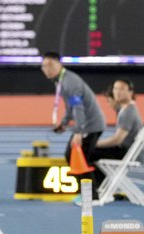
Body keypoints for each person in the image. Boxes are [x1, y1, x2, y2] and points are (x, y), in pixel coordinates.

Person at [41, 52, 106, 198]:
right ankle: (94, 191)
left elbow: (78, 108)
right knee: (77, 157)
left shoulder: (69, 82)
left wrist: (78, 132)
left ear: (59, 64)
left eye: (50, 65)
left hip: (91, 125)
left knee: (77, 157)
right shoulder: (62, 80)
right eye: (44, 66)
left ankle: (91, 195)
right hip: (87, 125)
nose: (47, 69)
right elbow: (70, 107)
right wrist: (64, 124)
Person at [90, 79, 143, 198]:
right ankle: (104, 189)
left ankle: (95, 192)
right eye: (116, 89)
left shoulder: (128, 111)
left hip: (127, 153)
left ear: (130, 92)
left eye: (122, 89)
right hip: (126, 151)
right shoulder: (125, 110)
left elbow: (117, 140)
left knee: (89, 152)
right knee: (91, 153)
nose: (118, 92)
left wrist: (95, 144)